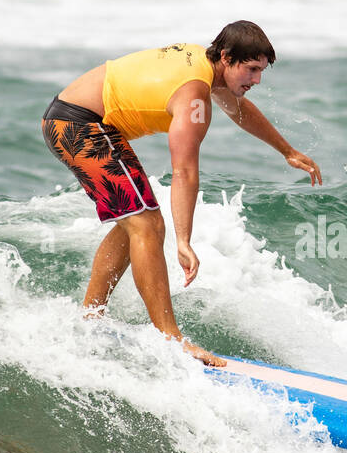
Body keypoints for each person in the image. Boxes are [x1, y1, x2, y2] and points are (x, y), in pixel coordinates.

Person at [42, 21, 322, 366]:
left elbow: (237, 108)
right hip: (78, 125)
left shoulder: (205, 66)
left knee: (135, 219)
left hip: (83, 121)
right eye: (251, 69)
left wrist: (286, 151)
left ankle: (90, 315)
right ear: (226, 57)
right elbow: (185, 171)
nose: (256, 80)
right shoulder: (194, 95)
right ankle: (171, 338)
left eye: (261, 71)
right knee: (147, 225)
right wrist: (184, 241)